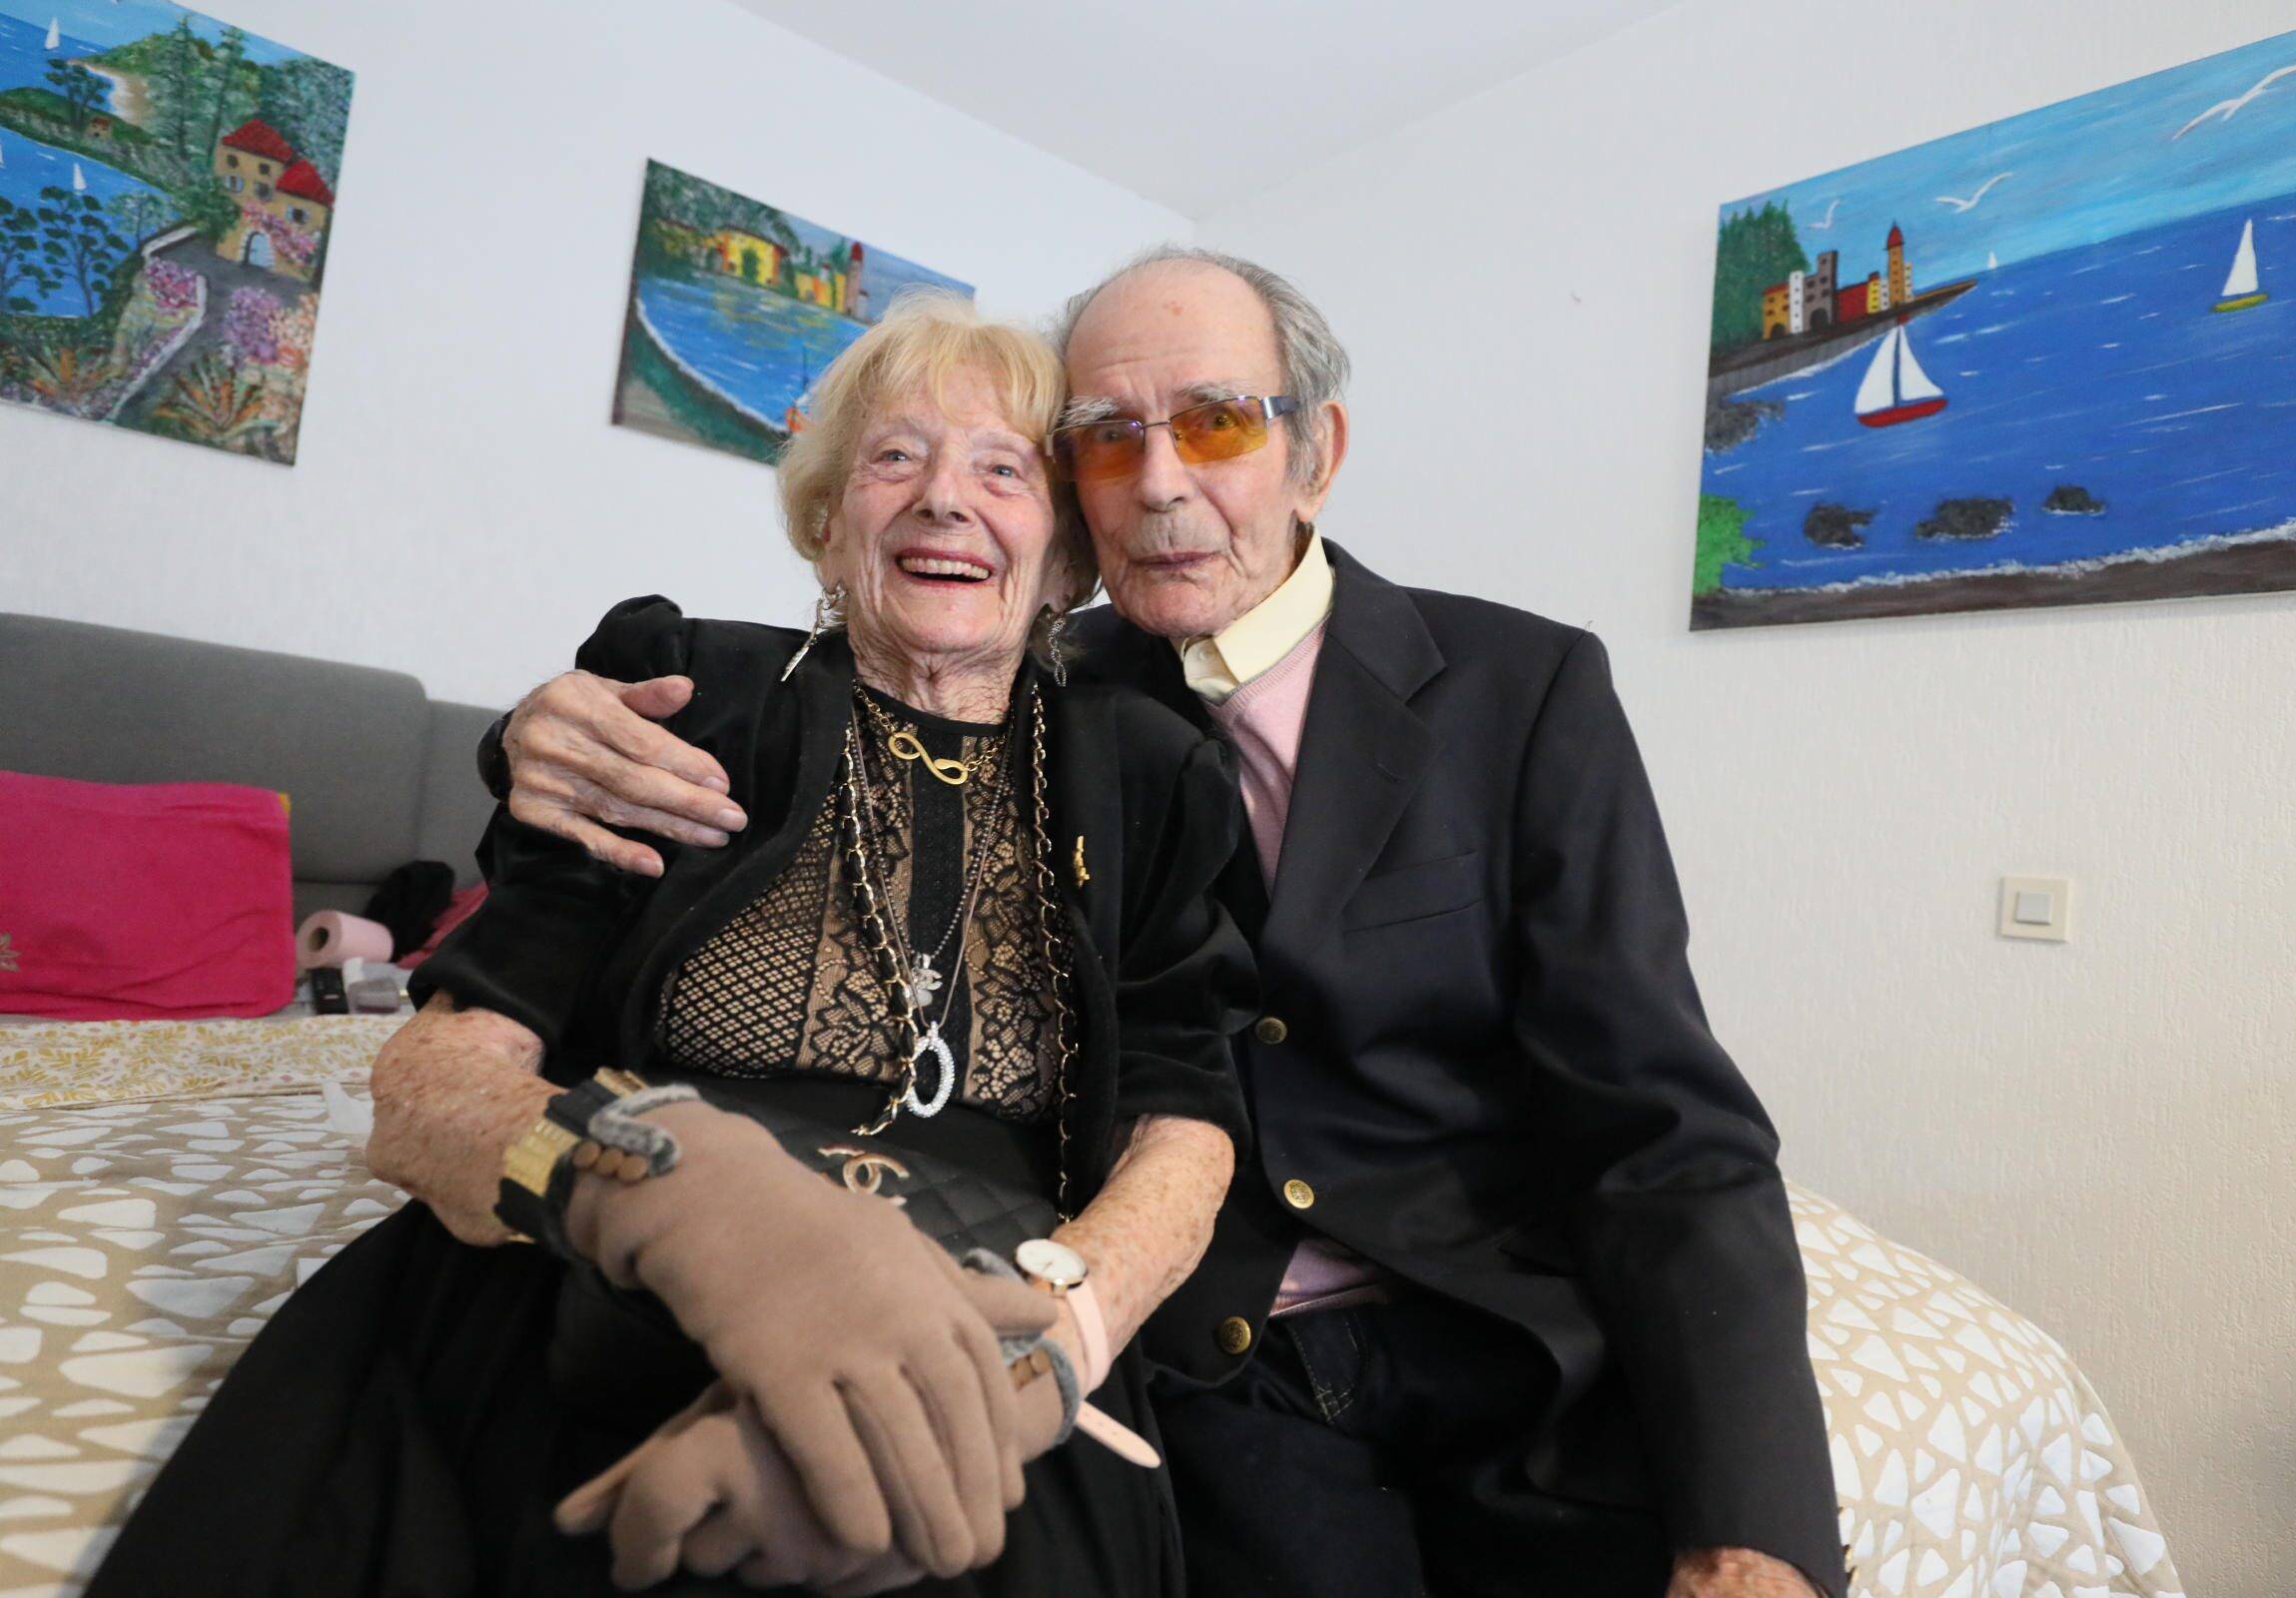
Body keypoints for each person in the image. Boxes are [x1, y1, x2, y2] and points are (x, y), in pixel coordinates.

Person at [483, 249, 1850, 1598]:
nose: (1159, 483)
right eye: (1102, 438)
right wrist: (531, 741)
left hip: (1498, 1346)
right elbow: (745, 756)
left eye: (1214, 422)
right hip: (1217, 1368)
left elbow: (1662, 1120)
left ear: (1316, 452)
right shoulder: (1031, 681)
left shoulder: (1521, 686)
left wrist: (1755, 1533)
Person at [87, 293, 1255, 1598]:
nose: (944, 499)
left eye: (1001, 469)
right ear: (826, 522)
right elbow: (430, 1085)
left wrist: (1058, 1341)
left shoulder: (1146, 773)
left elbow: (1186, 1117)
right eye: (893, 457)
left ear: (1065, 556)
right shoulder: (680, 697)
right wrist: (648, 1183)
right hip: (591, 1259)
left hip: (991, 1306)